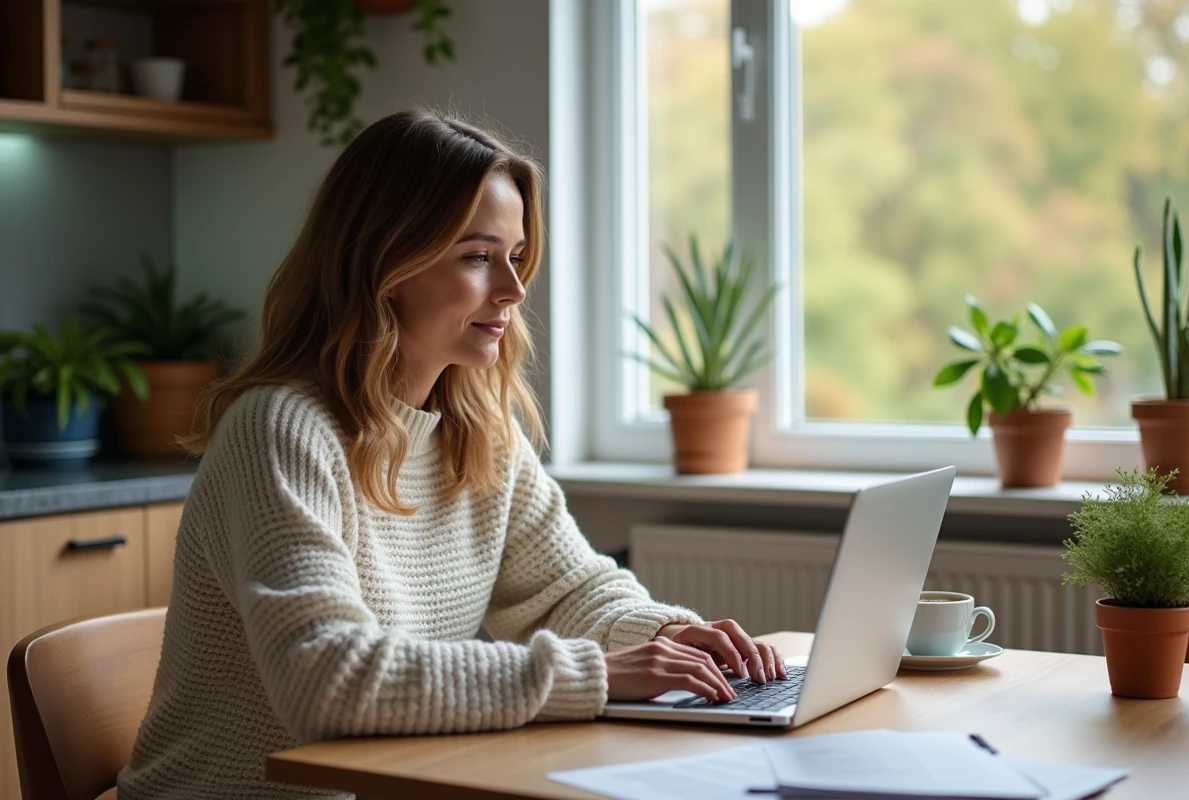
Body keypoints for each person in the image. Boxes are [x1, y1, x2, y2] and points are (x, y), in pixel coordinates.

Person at [117, 109, 786, 799]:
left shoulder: (476, 429)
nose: (514, 290)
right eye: (477, 256)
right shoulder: (281, 430)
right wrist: (595, 675)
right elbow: (328, 680)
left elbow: (570, 591)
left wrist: (676, 638)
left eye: (516, 256)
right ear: (384, 263)